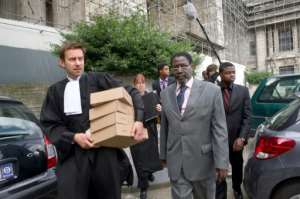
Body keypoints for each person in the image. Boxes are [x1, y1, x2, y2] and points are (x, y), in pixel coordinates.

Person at [40, 42, 145, 199]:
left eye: (80, 59)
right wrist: (74, 137)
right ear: (62, 62)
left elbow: (131, 92)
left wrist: (138, 119)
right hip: (73, 156)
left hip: (105, 155)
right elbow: (50, 124)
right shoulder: (55, 91)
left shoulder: (99, 79)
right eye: (72, 59)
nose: (77, 63)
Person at [160, 52, 229, 199]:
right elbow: (165, 126)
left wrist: (222, 162)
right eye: (175, 67)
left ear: (192, 67)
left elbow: (219, 128)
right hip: (176, 161)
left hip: (203, 161)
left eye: (183, 66)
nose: (179, 70)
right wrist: (163, 154)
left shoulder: (212, 91)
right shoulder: (165, 94)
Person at [218, 62, 251, 199]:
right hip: (218, 139)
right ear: (221, 74)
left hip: (236, 139)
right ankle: (221, 193)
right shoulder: (213, 91)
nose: (232, 75)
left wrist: (242, 138)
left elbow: (247, 116)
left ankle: (237, 189)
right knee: (219, 168)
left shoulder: (243, 91)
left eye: (233, 72)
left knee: (237, 167)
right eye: (228, 72)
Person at [130, 74, 162, 199]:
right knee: (139, 160)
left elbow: (159, 114)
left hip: (150, 130)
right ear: (134, 85)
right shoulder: (130, 99)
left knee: (150, 156)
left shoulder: (152, 96)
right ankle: (143, 187)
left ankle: (149, 173)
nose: (140, 85)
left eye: (142, 82)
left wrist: (160, 109)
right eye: (137, 83)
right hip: (136, 132)